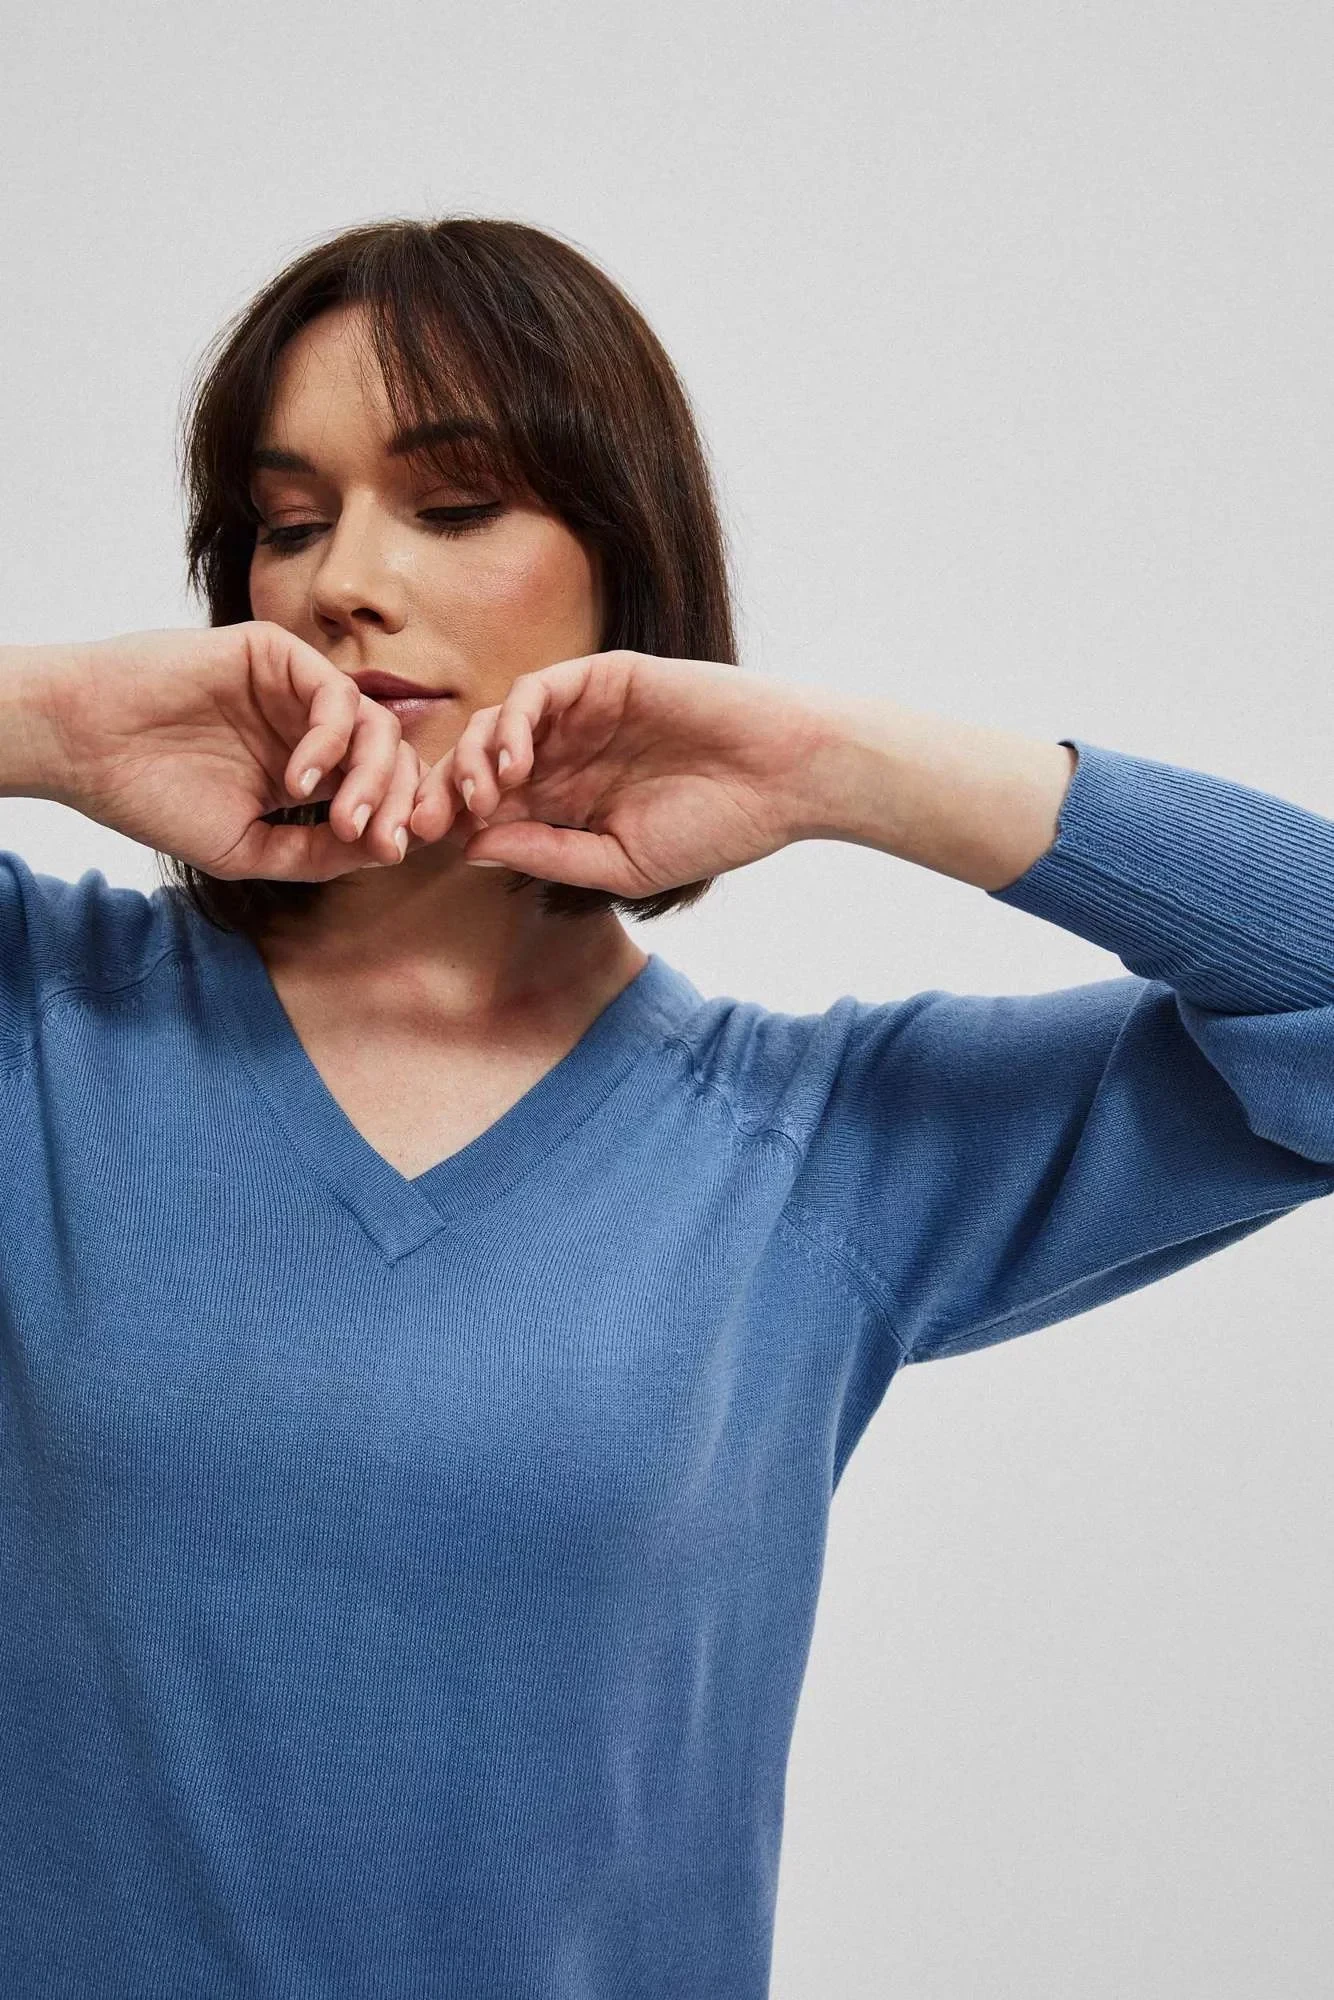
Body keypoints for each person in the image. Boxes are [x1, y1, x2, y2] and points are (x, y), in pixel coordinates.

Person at [1, 215, 1331, 2000]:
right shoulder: (42, 1021)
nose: (341, 583)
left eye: (452, 505)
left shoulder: (817, 1155)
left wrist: (831, 764)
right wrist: (50, 722)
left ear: (625, 567)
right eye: (288, 522)